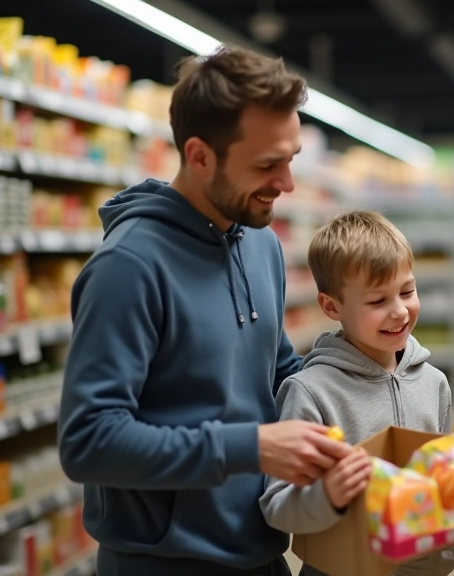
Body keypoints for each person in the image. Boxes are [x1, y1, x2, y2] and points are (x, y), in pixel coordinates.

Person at [57, 45, 351, 576]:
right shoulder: (129, 267)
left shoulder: (260, 243)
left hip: (263, 552)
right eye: (267, 164)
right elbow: (89, 442)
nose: (286, 183)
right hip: (163, 564)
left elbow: (277, 369)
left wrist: (362, 389)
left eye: (290, 159)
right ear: (199, 157)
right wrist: (250, 447)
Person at [260, 210, 454, 576]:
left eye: (407, 291)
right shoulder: (310, 393)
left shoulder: (434, 383)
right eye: (377, 301)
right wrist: (328, 495)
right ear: (331, 306)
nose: (399, 311)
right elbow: (278, 506)